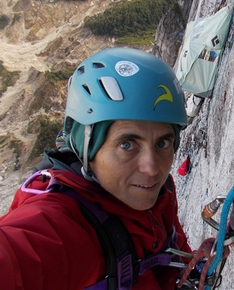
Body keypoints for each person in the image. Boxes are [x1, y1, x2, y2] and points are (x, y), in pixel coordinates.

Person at [0, 48, 192, 290]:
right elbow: (15, 255)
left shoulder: (157, 189)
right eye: (127, 144)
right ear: (87, 147)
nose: (152, 168)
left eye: (163, 143)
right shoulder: (66, 226)